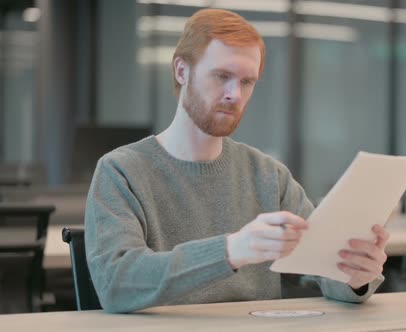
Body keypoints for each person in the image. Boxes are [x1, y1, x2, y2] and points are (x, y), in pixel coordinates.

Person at [85, 8, 390, 314]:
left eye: (247, 82)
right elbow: (116, 283)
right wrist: (231, 251)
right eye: (222, 76)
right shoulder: (121, 171)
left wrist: (355, 275)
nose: (235, 94)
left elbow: (327, 270)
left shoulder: (269, 176)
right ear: (181, 70)